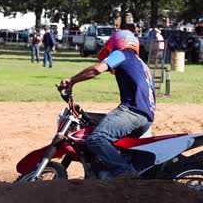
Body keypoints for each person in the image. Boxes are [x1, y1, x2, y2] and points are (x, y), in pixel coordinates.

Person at [58, 29, 156, 179]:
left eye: (110, 49)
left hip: (131, 112)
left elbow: (98, 69)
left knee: (97, 138)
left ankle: (124, 172)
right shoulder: (142, 64)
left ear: (117, 43)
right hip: (146, 119)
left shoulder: (122, 54)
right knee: (102, 133)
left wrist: (72, 81)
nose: (110, 52)